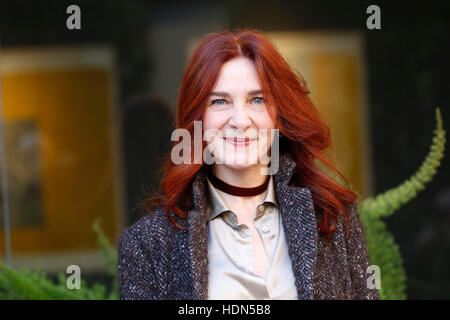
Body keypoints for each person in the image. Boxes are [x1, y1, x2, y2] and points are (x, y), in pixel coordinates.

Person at [117, 28, 379, 300]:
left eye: (257, 100)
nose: (240, 121)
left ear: (279, 114)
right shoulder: (147, 246)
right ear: (197, 117)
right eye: (220, 101)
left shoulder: (333, 218)